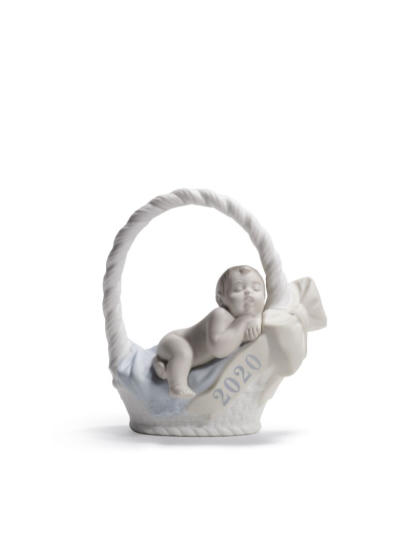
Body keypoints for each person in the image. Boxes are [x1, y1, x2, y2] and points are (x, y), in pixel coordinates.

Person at [152, 265, 265, 397]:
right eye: (238, 289)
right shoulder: (220, 315)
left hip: (174, 352)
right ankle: (177, 386)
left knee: (181, 360)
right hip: (176, 341)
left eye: (256, 288)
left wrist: (253, 320)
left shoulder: (257, 318)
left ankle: (162, 368)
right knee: (184, 354)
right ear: (221, 299)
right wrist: (243, 321)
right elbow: (218, 348)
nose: (248, 292)